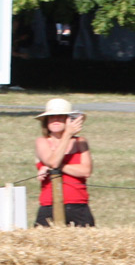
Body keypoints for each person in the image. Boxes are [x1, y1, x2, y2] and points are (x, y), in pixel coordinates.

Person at [33, 97, 94, 226]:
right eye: (51, 117)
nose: (55, 120)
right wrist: (67, 135)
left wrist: (52, 168)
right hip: (49, 204)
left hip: (79, 204)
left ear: (68, 120)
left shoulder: (80, 142)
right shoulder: (42, 141)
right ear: (46, 121)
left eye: (60, 116)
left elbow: (86, 171)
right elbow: (53, 161)